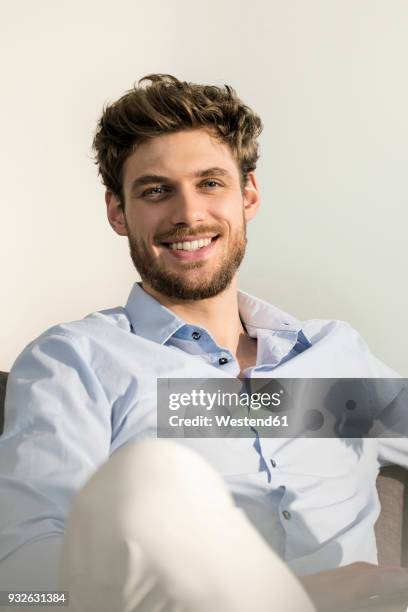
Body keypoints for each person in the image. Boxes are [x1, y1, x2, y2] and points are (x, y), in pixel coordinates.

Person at [0, 74, 407, 612]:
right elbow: (24, 591)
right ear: (118, 212)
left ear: (249, 195)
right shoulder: (75, 362)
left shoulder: (335, 354)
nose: (188, 214)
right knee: (153, 475)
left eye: (210, 183)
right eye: (155, 190)